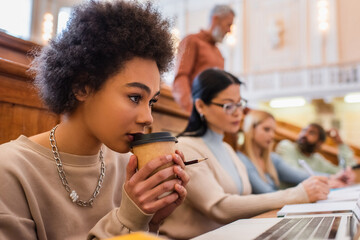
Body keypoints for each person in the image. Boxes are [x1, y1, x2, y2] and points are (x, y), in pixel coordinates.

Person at [0, 1, 190, 239]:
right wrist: (128, 218)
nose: (147, 117)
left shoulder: (127, 167)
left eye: (151, 101)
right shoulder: (9, 170)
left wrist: (151, 220)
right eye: (134, 97)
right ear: (82, 87)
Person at [159, 68, 329, 239]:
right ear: (201, 106)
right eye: (229, 106)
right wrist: (297, 194)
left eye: (240, 104)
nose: (238, 112)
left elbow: (245, 200)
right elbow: (219, 208)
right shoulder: (185, 147)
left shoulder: (227, 148)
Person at [238, 109, 352, 194]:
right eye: (267, 129)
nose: (272, 136)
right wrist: (325, 181)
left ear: (320, 143)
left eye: (273, 131)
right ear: (251, 129)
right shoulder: (242, 160)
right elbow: (267, 194)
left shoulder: (272, 158)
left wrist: (333, 177)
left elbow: (298, 175)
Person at [172, 4, 235, 113]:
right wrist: (191, 110)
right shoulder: (192, 41)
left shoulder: (219, 53)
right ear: (216, 19)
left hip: (212, 113)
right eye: (228, 25)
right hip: (195, 112)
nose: (229, 30)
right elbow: (181, 78)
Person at [275, 123, 356, 178]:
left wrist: (340, 143)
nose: (304, 135)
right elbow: (293, 173)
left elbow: (342, 171)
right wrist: (330, 178)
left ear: (319, 143)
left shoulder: (317, 159)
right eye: (303, 130)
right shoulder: (287, 146)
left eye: (311, 133)